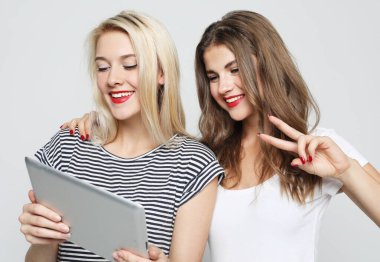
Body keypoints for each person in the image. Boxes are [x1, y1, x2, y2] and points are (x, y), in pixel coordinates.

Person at [60, 10, 380, 262]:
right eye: (213, 76)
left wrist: (346, 170)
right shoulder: (206, 157)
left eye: (234, 69)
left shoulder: (318, 147)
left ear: (268, 64)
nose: (223, 87)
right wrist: (101, 124)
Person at [18, 10, 223, 262]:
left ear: (162, 73)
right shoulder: (68, 145)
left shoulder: (193, 163)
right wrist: (42, 240)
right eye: (102, 67)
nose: (112, 79)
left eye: (130, 65)